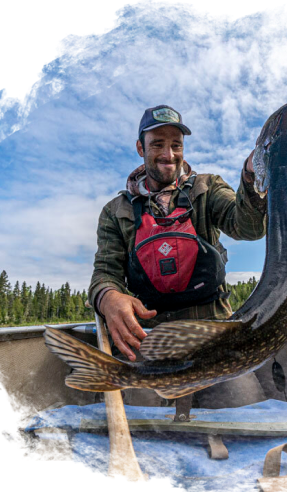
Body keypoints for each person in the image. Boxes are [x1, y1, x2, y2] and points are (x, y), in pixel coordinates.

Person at [88, 105, 268, 408]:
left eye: (176, 145)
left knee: (247, 411)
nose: (168, 154)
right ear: (140, 148)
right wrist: (108, 297)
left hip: (216, 337)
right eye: (157, 144)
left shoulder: (208, 188)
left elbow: (248, 227)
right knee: (130, 412)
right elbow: (105, 273)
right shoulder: (114, 211)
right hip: (147, 339)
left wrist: (250, 178)